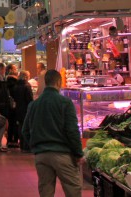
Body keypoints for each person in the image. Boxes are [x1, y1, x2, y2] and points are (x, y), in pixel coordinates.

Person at [22, 69, 83, 197]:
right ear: (59, 82)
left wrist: (36, 148)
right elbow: (72, 130)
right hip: (63, 154)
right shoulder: (65, 103)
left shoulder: (34, 105)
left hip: (41, 155)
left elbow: (25, 131)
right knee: (72, 189)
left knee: (46, 190)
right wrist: (78, 153)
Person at [12, 70, 34, 153]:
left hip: (18, 108)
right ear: (26, 76)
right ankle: (26, 146)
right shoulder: (26, 86)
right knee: (27, 127)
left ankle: (22, 145)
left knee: (20, 126)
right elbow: (29, 99)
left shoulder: (16, 85)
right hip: (25, 109)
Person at [5, 63, 20, 148]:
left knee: (10, 123)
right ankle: (15, 141)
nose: (16, 70)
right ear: (11, 70)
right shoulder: (15, 82)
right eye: (15, 69)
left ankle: (9, 140)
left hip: (8, 105)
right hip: (15, 104)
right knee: (15, 123)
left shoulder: (5, 81)